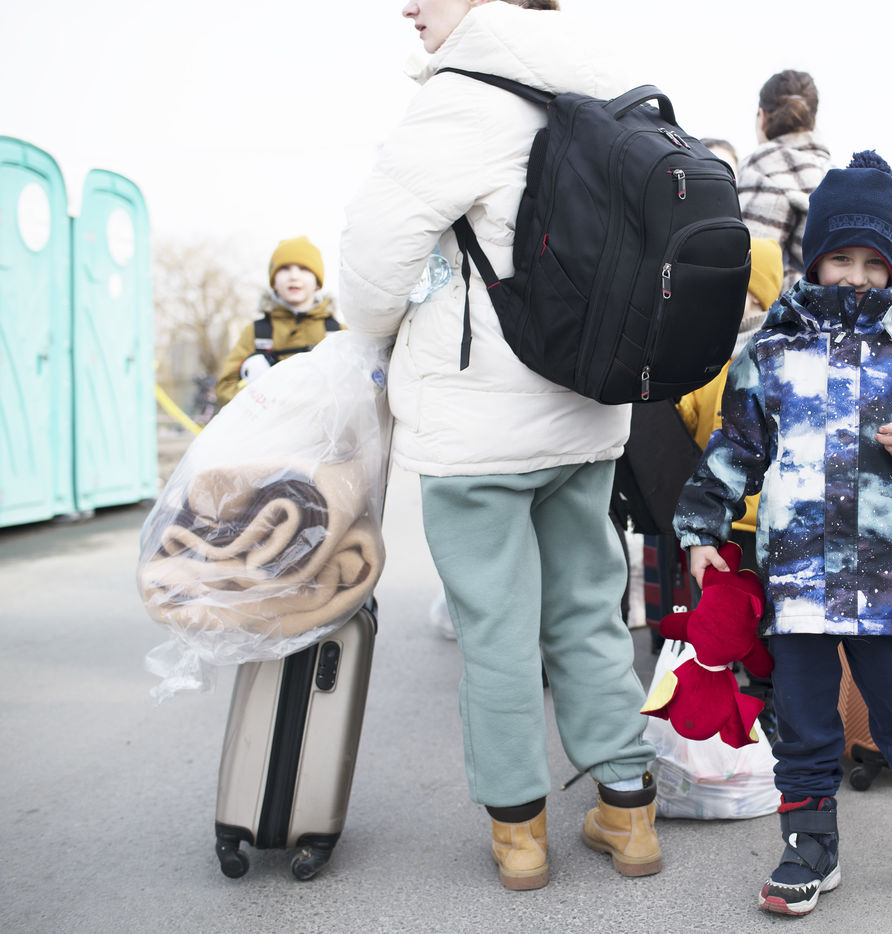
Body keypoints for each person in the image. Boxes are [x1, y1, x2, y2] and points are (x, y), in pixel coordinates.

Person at [338, 0, 659, 892]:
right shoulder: (606, 84)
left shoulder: (462, 95)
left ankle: (521, 834)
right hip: (588, 410)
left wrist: (380, 329)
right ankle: (628, 813)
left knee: (497, 630)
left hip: (478, 425)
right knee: (589, 614)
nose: (408, 6)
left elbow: (370, 271)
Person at [675, 152, 892, 917]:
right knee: (804, 715)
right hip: (799, 575)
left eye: (873, 262)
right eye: (841, 259)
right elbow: (736, 447)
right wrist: (702, 525)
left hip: (891, 576)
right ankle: (809, 844)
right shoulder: (770, 351)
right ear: (814, 257)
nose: (856, 276)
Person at [674, 235, 782, 734]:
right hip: (726, 517)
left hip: (767, 518)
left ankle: (769, 698)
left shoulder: (773, 353)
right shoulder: (707, 353)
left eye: (746, 293)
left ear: (766, 296)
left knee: (766, 620)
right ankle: (738, 700)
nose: (734, 303)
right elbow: (689, 416)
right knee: (726, 616)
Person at [214, 236, 340, 407]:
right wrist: (258, 398)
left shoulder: (337, 333)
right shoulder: (256, 332)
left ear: (317, 282)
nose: (294, 276)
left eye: (304, 269)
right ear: (273, 282)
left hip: (323, 422)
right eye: (285, 269)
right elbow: (225, 388)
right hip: (267, 421)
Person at [735, 70, 831, 288]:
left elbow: (748, 262)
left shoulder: (765, 164)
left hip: (788, 305)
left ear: (762, 117)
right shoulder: (830, 171)